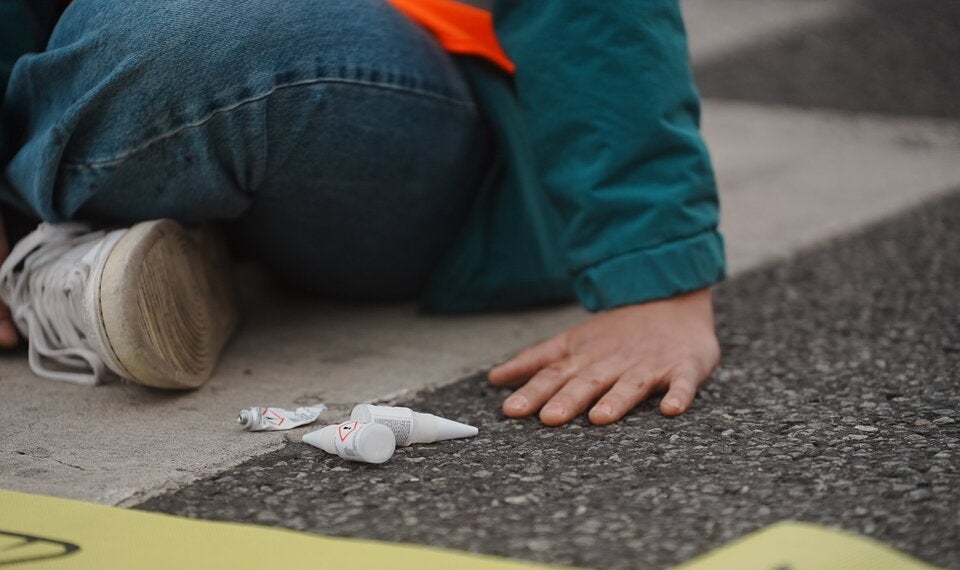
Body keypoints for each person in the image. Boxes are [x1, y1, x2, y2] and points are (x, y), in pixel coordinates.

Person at [0, 0, 724, 426]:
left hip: (418, 106)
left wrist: (654, 276)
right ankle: (147, 229)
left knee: (169, 43)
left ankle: (70, 237)